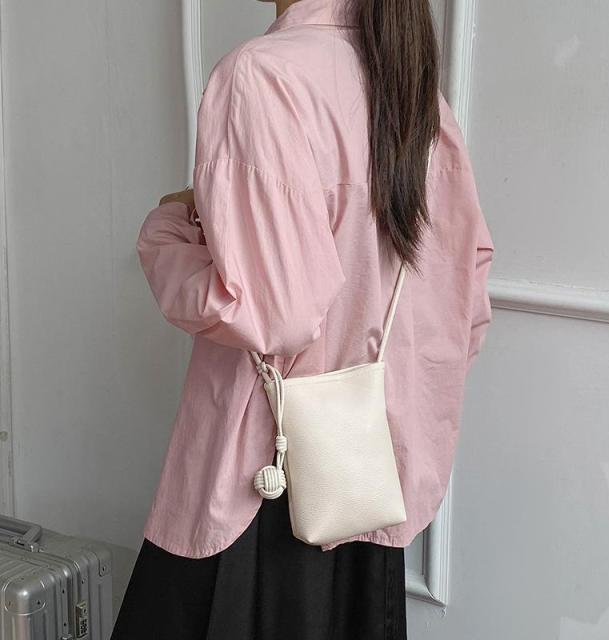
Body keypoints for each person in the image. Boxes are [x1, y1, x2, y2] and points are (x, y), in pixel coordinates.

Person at [110, 0, 495, 638]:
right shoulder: (415, 92)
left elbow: (273, 312)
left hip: (260, 483)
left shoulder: (262, 75)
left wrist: (165, 233)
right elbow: (466, 306)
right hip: (364, 480)